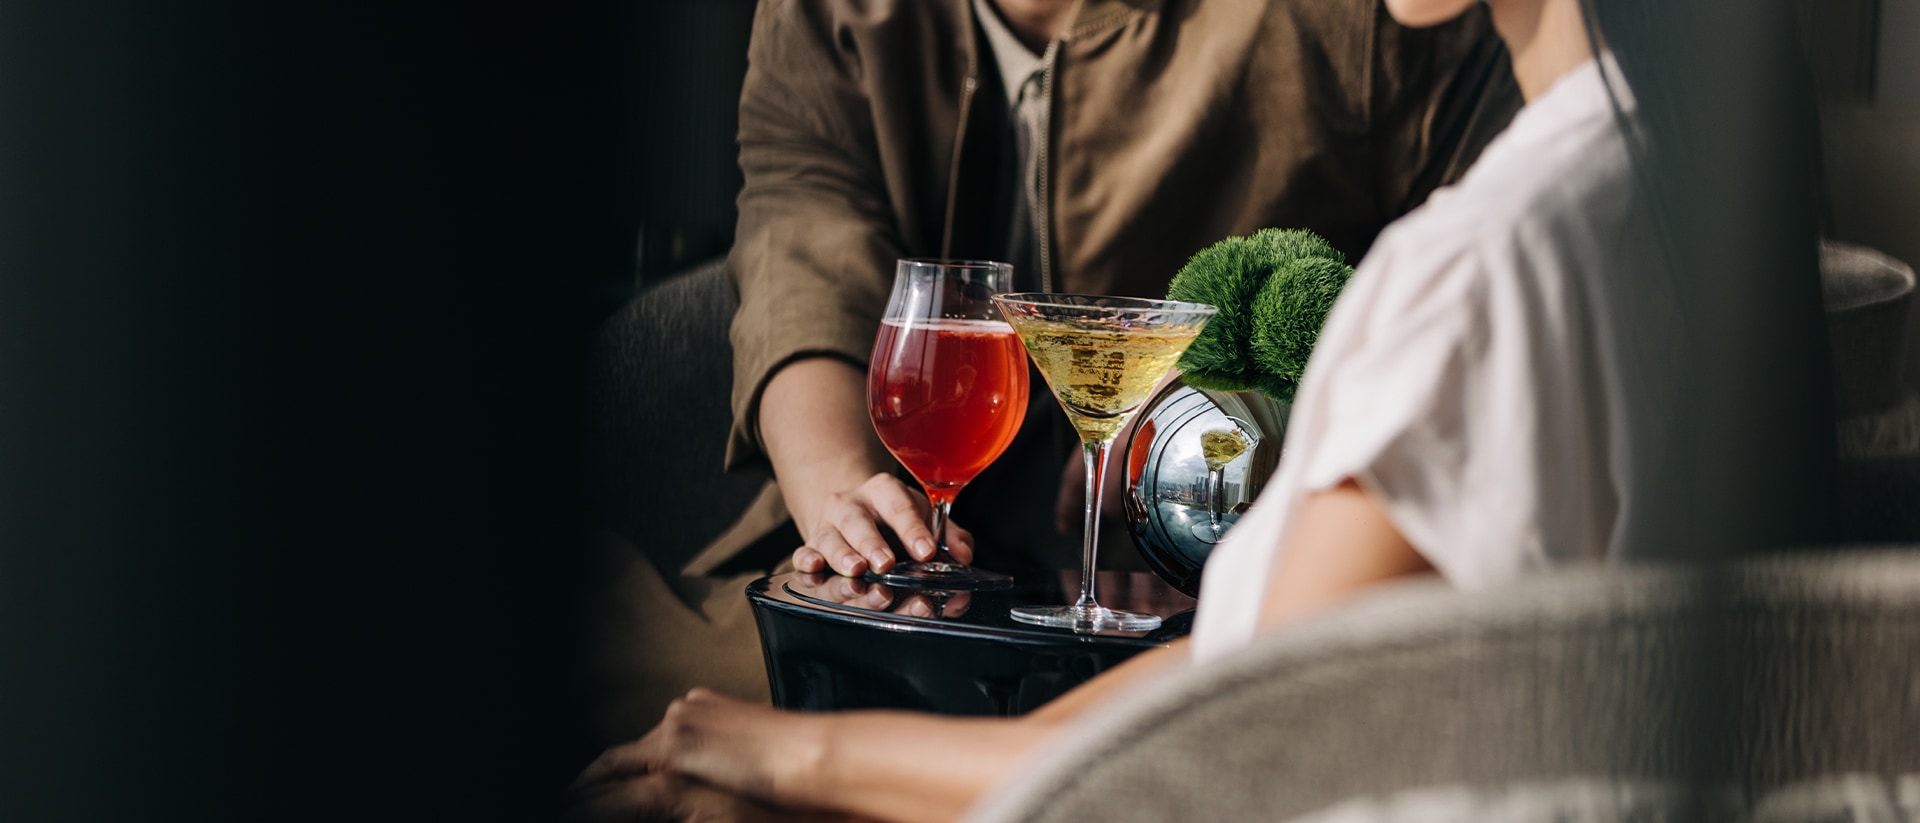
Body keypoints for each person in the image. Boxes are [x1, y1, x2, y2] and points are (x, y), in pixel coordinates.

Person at [572, 0, 1835, 818]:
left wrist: (797, 767)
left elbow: (1227, 749)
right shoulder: (1659, 190)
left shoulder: (1482, 272)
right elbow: (1274, 687)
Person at [591, 0, 1522, 738]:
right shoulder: (820, 13)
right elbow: (798, 236)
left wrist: (1220, 429)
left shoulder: (1379, 20)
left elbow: (1489, 278)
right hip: (907, 577)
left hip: (1198, 589)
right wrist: (843, 500)